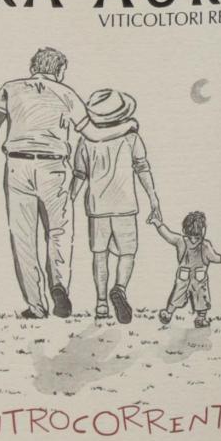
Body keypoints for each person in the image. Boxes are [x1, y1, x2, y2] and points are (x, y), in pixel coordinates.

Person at [0, 46, 88, 319]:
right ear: (60, 70)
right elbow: (89, 132)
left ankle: (36, 305)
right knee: (59, 231)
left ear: (33, 67)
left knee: (23, 237)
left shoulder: (10, 89)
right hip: (55, 167)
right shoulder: (67, 93)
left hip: (17, 165)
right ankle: (59, 285)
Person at [69, 88, 161, 324]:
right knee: (127, 253)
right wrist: (153, 198)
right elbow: (142, 168)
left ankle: (101, 304)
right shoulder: (131, 138)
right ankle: (119, 288)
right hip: (125, 204)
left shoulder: (86, 140)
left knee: (99, 255)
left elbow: (79, 175)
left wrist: (69, 199)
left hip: (96, 206)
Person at [154, 209, 221, 328]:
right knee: (179, 295)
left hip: (195, 279)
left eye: (197, 237)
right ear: (185, 231)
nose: (193, 240)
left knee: (200, 297)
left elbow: (213, 257)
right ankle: (169, 314)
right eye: (191, 236)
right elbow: (167, 235)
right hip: (189, 277)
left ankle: (199, 318)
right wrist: (158, 224)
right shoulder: (183, 241)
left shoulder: (203, 245)